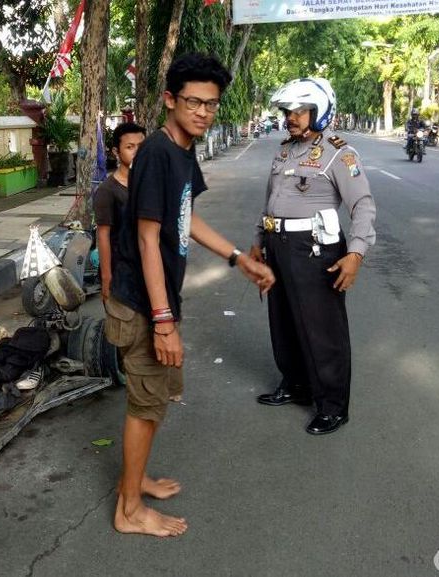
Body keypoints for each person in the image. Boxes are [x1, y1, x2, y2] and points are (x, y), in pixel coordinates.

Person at [106, 53, 274, 537]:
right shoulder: (158, 153)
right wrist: (163, 321)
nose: (203, 112)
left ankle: (133, 481)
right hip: (143, 302)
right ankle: (130, 509)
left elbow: (187, 218)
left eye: (212, 104)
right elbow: (145, 237)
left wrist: (237, 257)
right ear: (170, 100)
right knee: (144, 406)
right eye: (193, 102)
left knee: (154, 400)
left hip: (156, 302)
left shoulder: (182, 151)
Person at [249, 77, 376, 435]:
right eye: (288, 112)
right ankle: (296, 384)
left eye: (300, 111)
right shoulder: (285, 150)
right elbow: (269, 201)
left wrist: (356, 253)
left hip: (315, 250)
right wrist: (259, 241)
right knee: (284, 321)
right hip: (278, 246)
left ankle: (333, 405)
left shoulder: (339, 153)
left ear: (319, 112)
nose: (291, 118)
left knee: (322, 330)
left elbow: (363, 206)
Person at [95, 122, 146, 302]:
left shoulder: (149, 185)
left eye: (141, 147)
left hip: (146, 272)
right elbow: (103, 236)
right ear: (116, 152)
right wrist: (107, 278)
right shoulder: (107, 191)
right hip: (120, 276)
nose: (136, 152)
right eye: (130, 147)